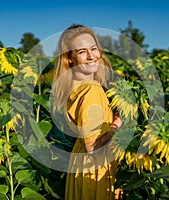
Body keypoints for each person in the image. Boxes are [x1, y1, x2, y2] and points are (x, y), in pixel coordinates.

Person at [51, 24, 123, 200]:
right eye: (82, 52)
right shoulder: (91, 90)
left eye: (93, 49)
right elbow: (93, 146)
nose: (92, 56)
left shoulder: (75, 87)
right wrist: (117, 124)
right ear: (70, 58)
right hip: (95, 169)